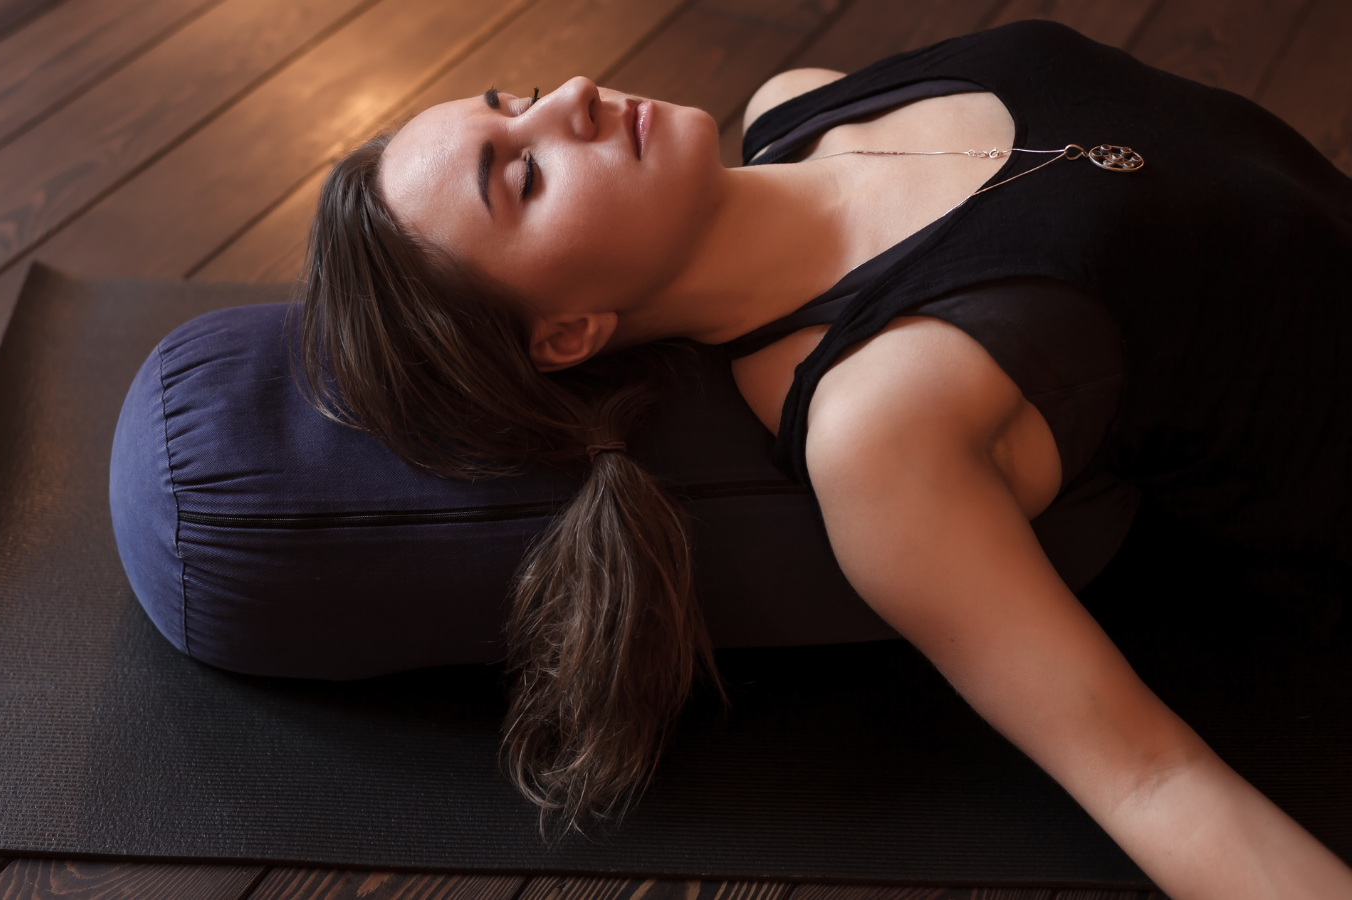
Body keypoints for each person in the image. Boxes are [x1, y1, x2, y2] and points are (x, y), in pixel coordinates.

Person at [298, 20, 1352, 899]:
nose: (570, 94)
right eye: (522, 174)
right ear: (569, 333)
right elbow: (1149, 781)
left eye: (516, 97)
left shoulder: (800, 102)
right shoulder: (875, 424)